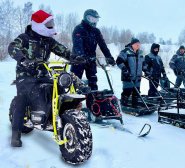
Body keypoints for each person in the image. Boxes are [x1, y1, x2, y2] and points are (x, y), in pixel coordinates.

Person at [8, 10, 72, 147]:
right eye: (48, 23)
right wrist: (23, 59)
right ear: (38, 24)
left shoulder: (48, 40)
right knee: (22, 99)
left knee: (59, 88)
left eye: (51, 23)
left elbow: (62, 50)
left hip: (43, 74)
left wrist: (74, 57)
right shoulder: (25, 38)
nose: (51, 25)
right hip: (25, 75)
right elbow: (12, 47)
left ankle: (56, 117)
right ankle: (15, 134)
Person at [71, 9, 115, 91]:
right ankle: (74, 101)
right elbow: (78, 45)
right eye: (92, 19)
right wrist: (81, 56)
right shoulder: (79, 29)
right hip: (78, 60)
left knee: (93, 81)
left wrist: (109, 57)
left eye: (96, 19)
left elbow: (103, 45)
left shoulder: (96, 31)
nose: (94, 22)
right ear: (86, 18)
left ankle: (93, 101)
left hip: (91, 60)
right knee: (75, 81)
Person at [116, 38, 143, 108]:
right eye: (136, 44)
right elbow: (119, 61)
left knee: (136, 93)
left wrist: (146, 70)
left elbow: (143, 63)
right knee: (127, 92)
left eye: (139, 44)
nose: (138, 45)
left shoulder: (140, 53)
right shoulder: (126, 51)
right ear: (132, 44)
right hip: (128, 76)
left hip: (137, 77)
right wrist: (124, 69)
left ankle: (135, 106)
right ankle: (123, 105)